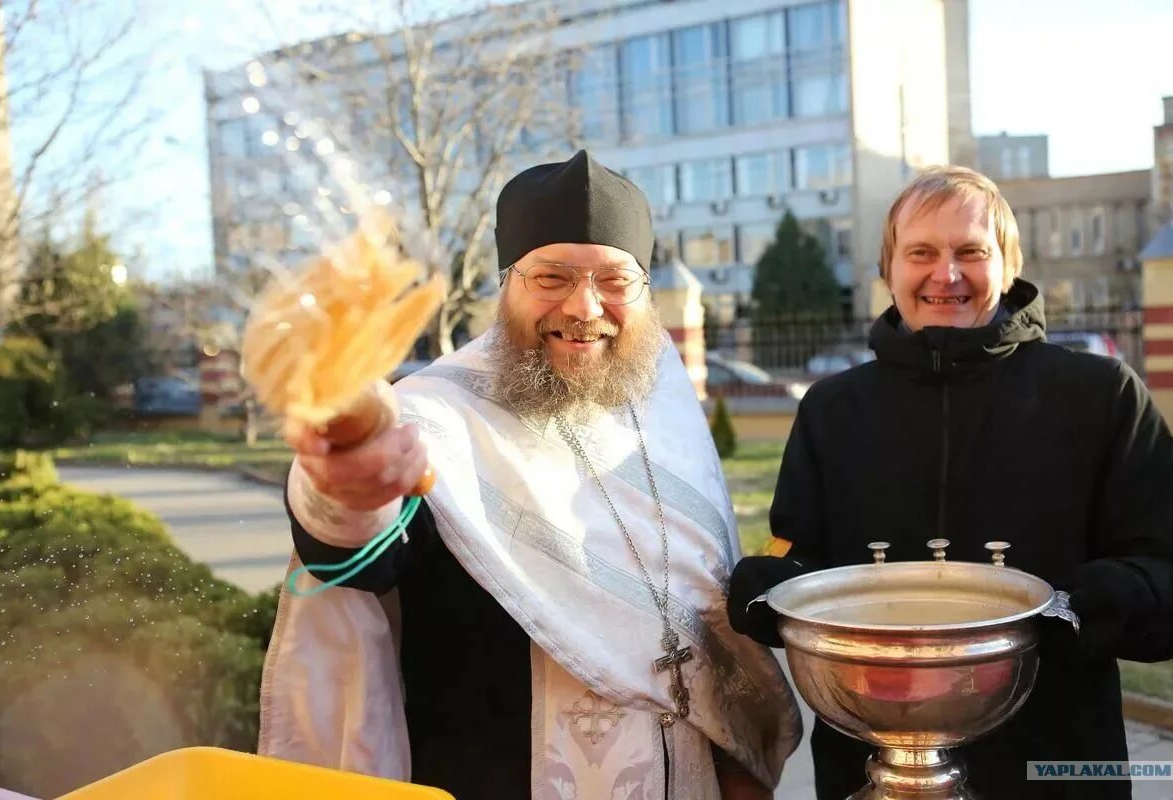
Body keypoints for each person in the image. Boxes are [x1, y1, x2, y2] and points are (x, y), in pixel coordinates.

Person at [259, 150, 802, 799]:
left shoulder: (665, 409)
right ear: (506, 284)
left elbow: (706, 623)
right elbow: (358, 554)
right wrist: (345, 481)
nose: (584, 306)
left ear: (645, 290)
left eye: (614, 280)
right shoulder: (435, 417)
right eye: (552, 277)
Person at [728, 165, 1173, 799]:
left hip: (1058, 767)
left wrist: (1110, 598)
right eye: (920, 252)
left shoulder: (1100, 397)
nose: (945, 275)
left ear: (1009, 265)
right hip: (868, 769)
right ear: (888, 270)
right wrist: (777, 591)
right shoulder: (832, 410)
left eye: (971, 252)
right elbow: (801, 556)